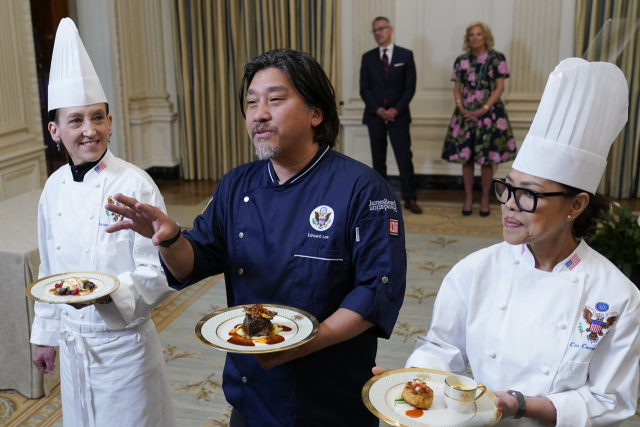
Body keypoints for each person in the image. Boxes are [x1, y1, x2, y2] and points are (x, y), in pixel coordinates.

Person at [105, 49, 407, 427]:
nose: (259, 113)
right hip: (252, 393)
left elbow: (374, 291)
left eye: (275, 100)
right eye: (251, 103)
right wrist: (168, 240)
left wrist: (301, 345)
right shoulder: (236, 184)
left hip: (329, 399)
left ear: (316, 113)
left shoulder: (364, 189)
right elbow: (192, 262)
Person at [374, 59, 640, 426]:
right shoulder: (476, 269)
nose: (511, 204)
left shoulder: (617, 296)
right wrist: (414, 379)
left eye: (529, 194)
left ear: (575, 206)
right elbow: (440, 349)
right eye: (508, 187)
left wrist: (521, 404)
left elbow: (610, 400)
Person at [29, 18, 175, 427]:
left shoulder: (135, 184)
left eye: (98, 117)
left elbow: (160, 270)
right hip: (75, 349)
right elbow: (48, 269)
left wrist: (108, 294)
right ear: (55, 130)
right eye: (76, 120)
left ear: (111, 122)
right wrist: (45, 334)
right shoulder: (53, 188)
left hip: (123, 348)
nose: (89, 130)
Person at [442, 21, 516, 216]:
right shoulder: (461, 60)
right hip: (465, 114)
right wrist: (462, 109)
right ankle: (468, 197)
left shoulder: (497, 58)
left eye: (478, 34)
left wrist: (483, 109)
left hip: (489, 114)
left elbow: (500, 87)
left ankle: (484, 197)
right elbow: (456, 89)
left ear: (486, 37)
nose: (474, 37)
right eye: (471, 35)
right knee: (466, 159)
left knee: (486, 159)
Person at [360, 16, 421, 214]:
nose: (378, 33)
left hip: (399, 116)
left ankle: (410, 199)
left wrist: (396, 109)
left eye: (381, 28)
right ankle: (381, 201)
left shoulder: (405, 55)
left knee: (404, 159)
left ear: (390, 29)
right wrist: (378, 110)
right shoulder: (368, 57)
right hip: (375, 116)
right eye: (374, 30)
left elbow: (410, 87)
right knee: (378, 162)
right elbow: (364, 89)